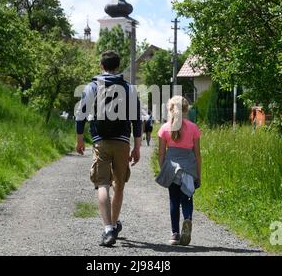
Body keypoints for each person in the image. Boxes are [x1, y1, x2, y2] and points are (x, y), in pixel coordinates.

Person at [75, 50, 142, 247]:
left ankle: (108, 230)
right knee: (119, 184)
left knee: (102, 184)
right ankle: (113, 223)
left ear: (101, 66)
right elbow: (137, 119)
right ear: (117, 66)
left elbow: (80, 115)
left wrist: (80, 140)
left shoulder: (93, 86)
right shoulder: (129, 88)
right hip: (122, 142)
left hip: (101, 141)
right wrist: (137, 147)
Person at [155, 96, 202, 246]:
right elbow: (197, 154)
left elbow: (161, 153)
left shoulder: (164, 128)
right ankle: (187, 218)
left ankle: (174, 234)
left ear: (170, 110)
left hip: (172, 169)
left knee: (174, 200)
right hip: (188, 168)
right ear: (187, 110)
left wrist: (164, 169)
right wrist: (198, 175)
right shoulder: (194, 128)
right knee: (187, 197)